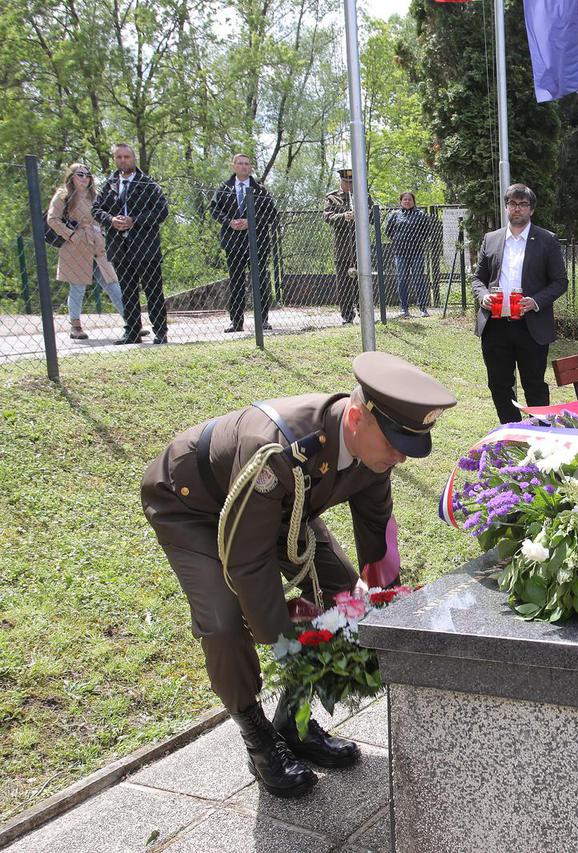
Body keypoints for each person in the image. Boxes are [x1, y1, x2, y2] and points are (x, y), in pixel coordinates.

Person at [141, 352, 457, 797]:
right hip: (192, 505)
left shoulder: (374, 455)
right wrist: (284, 640)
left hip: (282, 507)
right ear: (355, 417)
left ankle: (294, 721)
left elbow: (376, 532)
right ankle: (259, 737)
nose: (401, 457)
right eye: (394, 442)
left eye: (408, 446)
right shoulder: (278, 450)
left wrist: (383, 604)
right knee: (224, 620)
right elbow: (248, 562)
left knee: (345, 595)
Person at [471, 183, 568, 423]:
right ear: (506, 207)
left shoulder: (547, 240)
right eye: (513, 203)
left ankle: (539, 433)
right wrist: (483, 296)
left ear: (531, 210)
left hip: (531, 325)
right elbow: (477, 279)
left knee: (534, 384)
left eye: (523, 204)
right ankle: (512, 431)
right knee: (498, 384)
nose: (517, 209)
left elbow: (560, 282)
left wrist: (535, 301)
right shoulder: (490, 239)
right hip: (495, 325)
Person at [92, 143, 169, 345]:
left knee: (153, 291)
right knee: (127, 291)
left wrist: (135, 220)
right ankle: (132, 331)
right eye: (119, 157)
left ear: (133, 158)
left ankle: (160, 331)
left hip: (146, 247)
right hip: (119, 246)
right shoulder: (109, 184)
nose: (123, 160)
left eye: (127, 157)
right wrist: (110, 220)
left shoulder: (148, 184)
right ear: (115, 160)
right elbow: (96, 210)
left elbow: (161, 212)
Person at [46, 163, 126, 341]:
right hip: (76, 246)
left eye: (88, 175)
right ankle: (75, 326)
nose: (85, 178)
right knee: (78, 286)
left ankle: (131, 322)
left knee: (112, 284)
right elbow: (52, 219)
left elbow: (104, 215)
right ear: (71, 176)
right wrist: (71, 235)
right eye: (80, 174)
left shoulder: (94, 196)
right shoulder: (63, 195)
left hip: (98, 245)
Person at [211, 154, 279, 333]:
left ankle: (262, 320)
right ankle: (236, 321)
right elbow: (215, 210)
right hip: (233, 243)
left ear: (251, 167)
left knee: (260, 280)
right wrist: (230, 222)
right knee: (236, 282)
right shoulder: (224, 188)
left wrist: (251, 221)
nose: (243, 167)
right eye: (240, 164)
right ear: (234, 166)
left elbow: (272, 214)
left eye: (247, 164)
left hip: (257, 243)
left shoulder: (260, 190)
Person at [322, 168, 374, 325]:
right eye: (346, 182)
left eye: (352, 183)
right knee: (344, 285)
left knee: (363, 283)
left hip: (361, 248)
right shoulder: (332, 197)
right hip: (343, 248)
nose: (349, 186)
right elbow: (328, 216)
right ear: (341, 182)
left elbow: (372, 216)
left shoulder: (363, 196)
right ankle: (347, 317)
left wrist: (362, 213)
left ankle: (365, 314)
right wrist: (343, 216)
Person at [385, 192, 431, 318]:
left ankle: (423, 308)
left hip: (417, 253)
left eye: (409, 199)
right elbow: (388, 231)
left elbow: (427, 232)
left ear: (413, 201)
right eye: (404, 199)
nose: (407, 201)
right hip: (400, 253)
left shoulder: (421, 215)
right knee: (402, 280)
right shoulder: (395, 215)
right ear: (400, 201)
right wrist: (398, 239)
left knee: (419, 279)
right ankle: (404, 309)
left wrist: (417, 240)